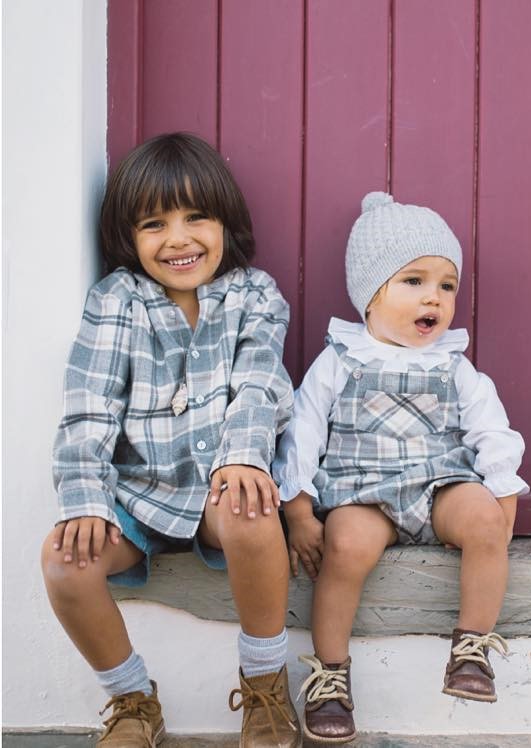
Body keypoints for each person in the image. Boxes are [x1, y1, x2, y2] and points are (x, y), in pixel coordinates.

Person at [41, 132, 300, 748]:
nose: (178, 239)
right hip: (135, 496)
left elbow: (259, 384)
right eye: (154, 224)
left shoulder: (254, 295)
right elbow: (88, 408)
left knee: (251, 508)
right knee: (62, 562)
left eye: (196, 217)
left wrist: (244, 458)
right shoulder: (116, 301)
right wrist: (86, 500)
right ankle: (133, 701)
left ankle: (265, 685)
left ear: (225, 221)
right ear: (127, 236)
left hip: (217, 488)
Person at [273, 192, 529, 744]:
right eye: (414, 281)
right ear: (371, 293)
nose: (434, 296)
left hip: (439, 485)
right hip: (362, 491)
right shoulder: (339, 360)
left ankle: (471, 649)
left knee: (485, 518)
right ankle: (330, 676)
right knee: (345, 546)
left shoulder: (453, 365)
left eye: (447, 285)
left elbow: (491, 428)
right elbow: (302, 431)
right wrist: (298, 510)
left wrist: (501, 497)